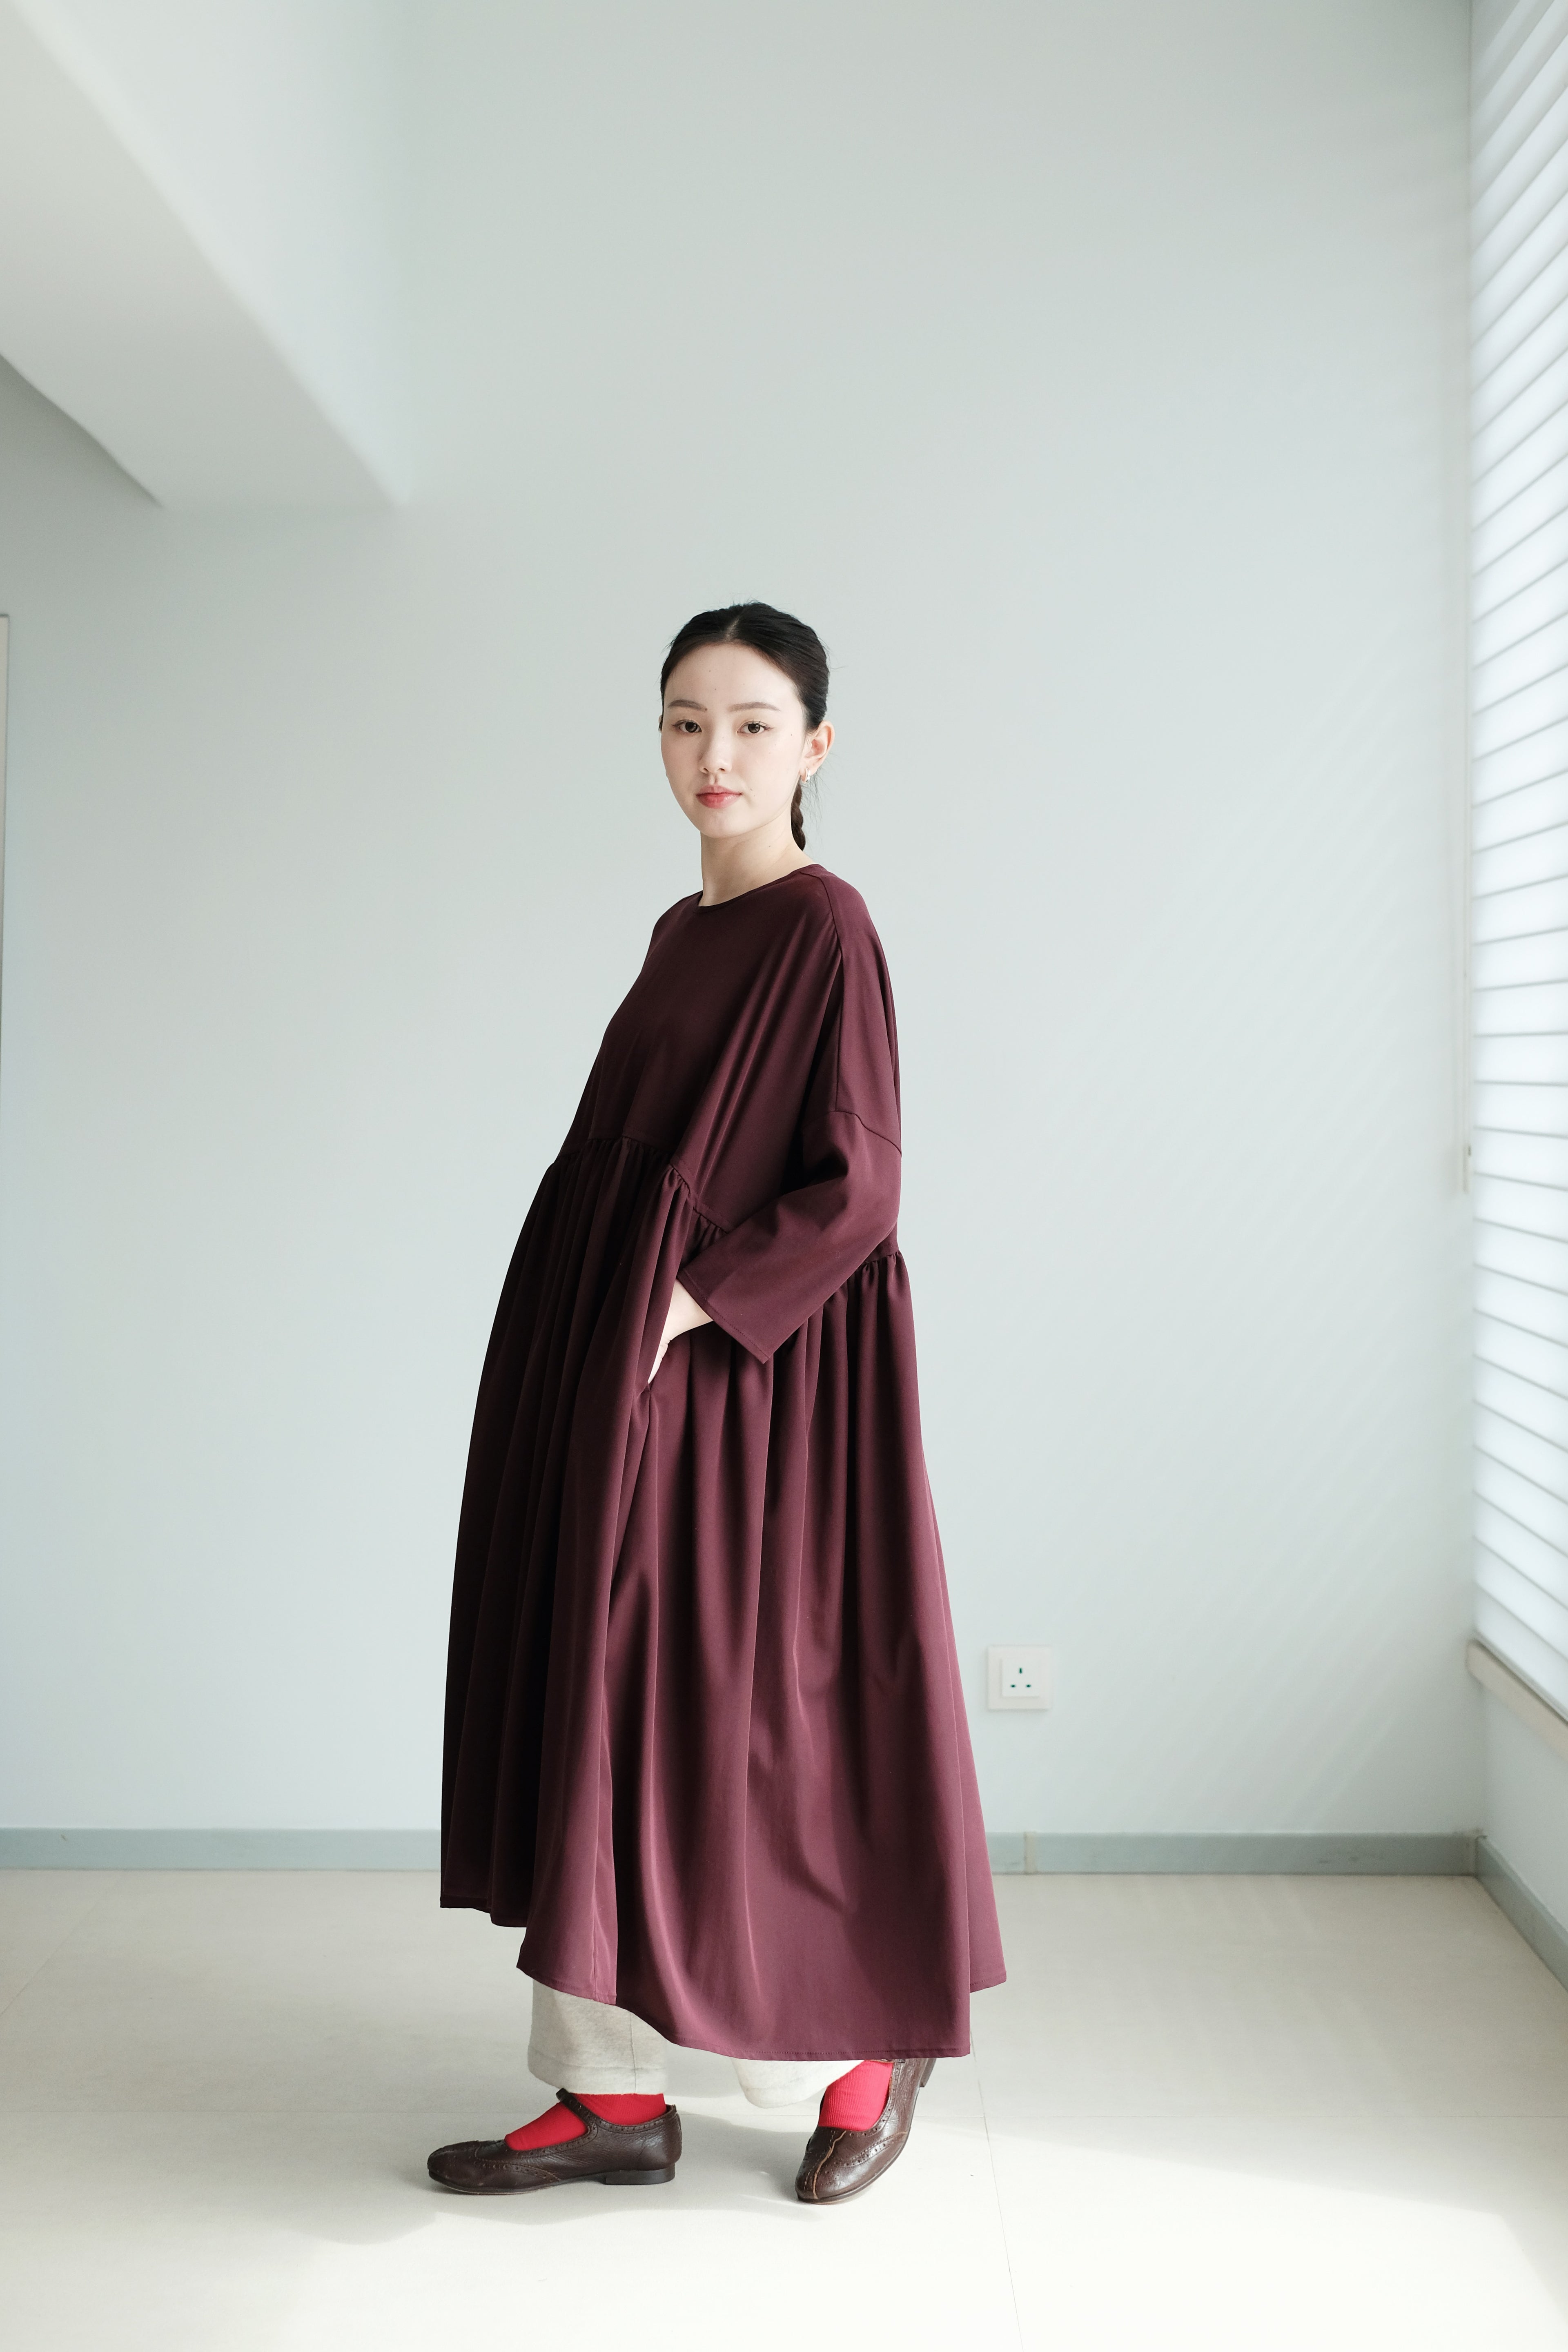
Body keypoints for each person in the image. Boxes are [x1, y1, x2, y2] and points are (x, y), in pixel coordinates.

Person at [429, 602, 1002, 2205]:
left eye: (752, 723)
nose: (715, 755)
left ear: (816, 746)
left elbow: (859, 1187)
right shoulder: (683, 931)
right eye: (687, 722)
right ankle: (608, 2092)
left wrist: (684, 1312)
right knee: (604, 1698)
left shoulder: (827, 927)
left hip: (746, 1378)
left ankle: (861, 2054)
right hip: (628, 1358)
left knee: (745, 1718)